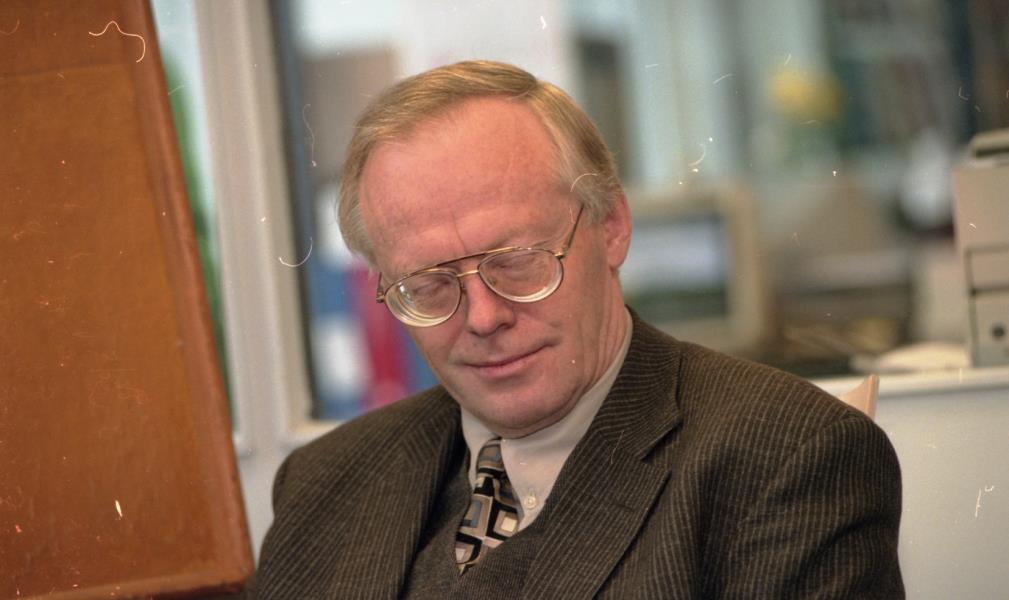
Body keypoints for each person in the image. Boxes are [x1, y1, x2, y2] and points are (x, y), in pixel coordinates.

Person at [248, 60, 903, 599]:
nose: (483, 317)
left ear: (610, 226)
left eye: (516, 262)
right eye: (430, 285)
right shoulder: (323, 482)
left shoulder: (788, 459)